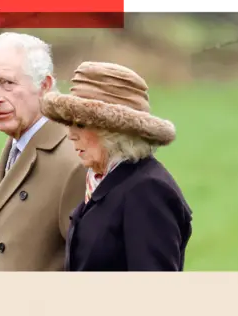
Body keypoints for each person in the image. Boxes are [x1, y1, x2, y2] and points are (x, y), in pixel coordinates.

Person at [40, 61, 193, 271]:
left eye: (81, 124)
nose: (70, 134)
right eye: (69, 123)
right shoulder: (104, 180)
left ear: (113, 131)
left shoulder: (147, 190)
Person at [0, 32, 86, 271]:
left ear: (44, 86)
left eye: (8, 83)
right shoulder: (16, 145)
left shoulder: (73, 160)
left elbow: (86, 265)